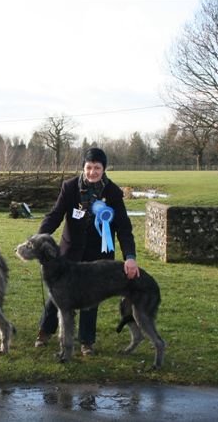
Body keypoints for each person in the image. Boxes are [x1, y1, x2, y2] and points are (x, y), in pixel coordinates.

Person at [34, 147, 139, 356]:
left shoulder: (113, 193)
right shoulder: (70, 187)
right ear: (83, 167)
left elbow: (124, 229)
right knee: (56, 297)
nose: (92, 172)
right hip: (69, 255)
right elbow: (55, 216)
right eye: (89, 167)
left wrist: (130, 257)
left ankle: (86, 342)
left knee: (91, 299)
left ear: (104, 169)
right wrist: (39, 237)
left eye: (97, 168)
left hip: (98, 257)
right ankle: (45, 332)